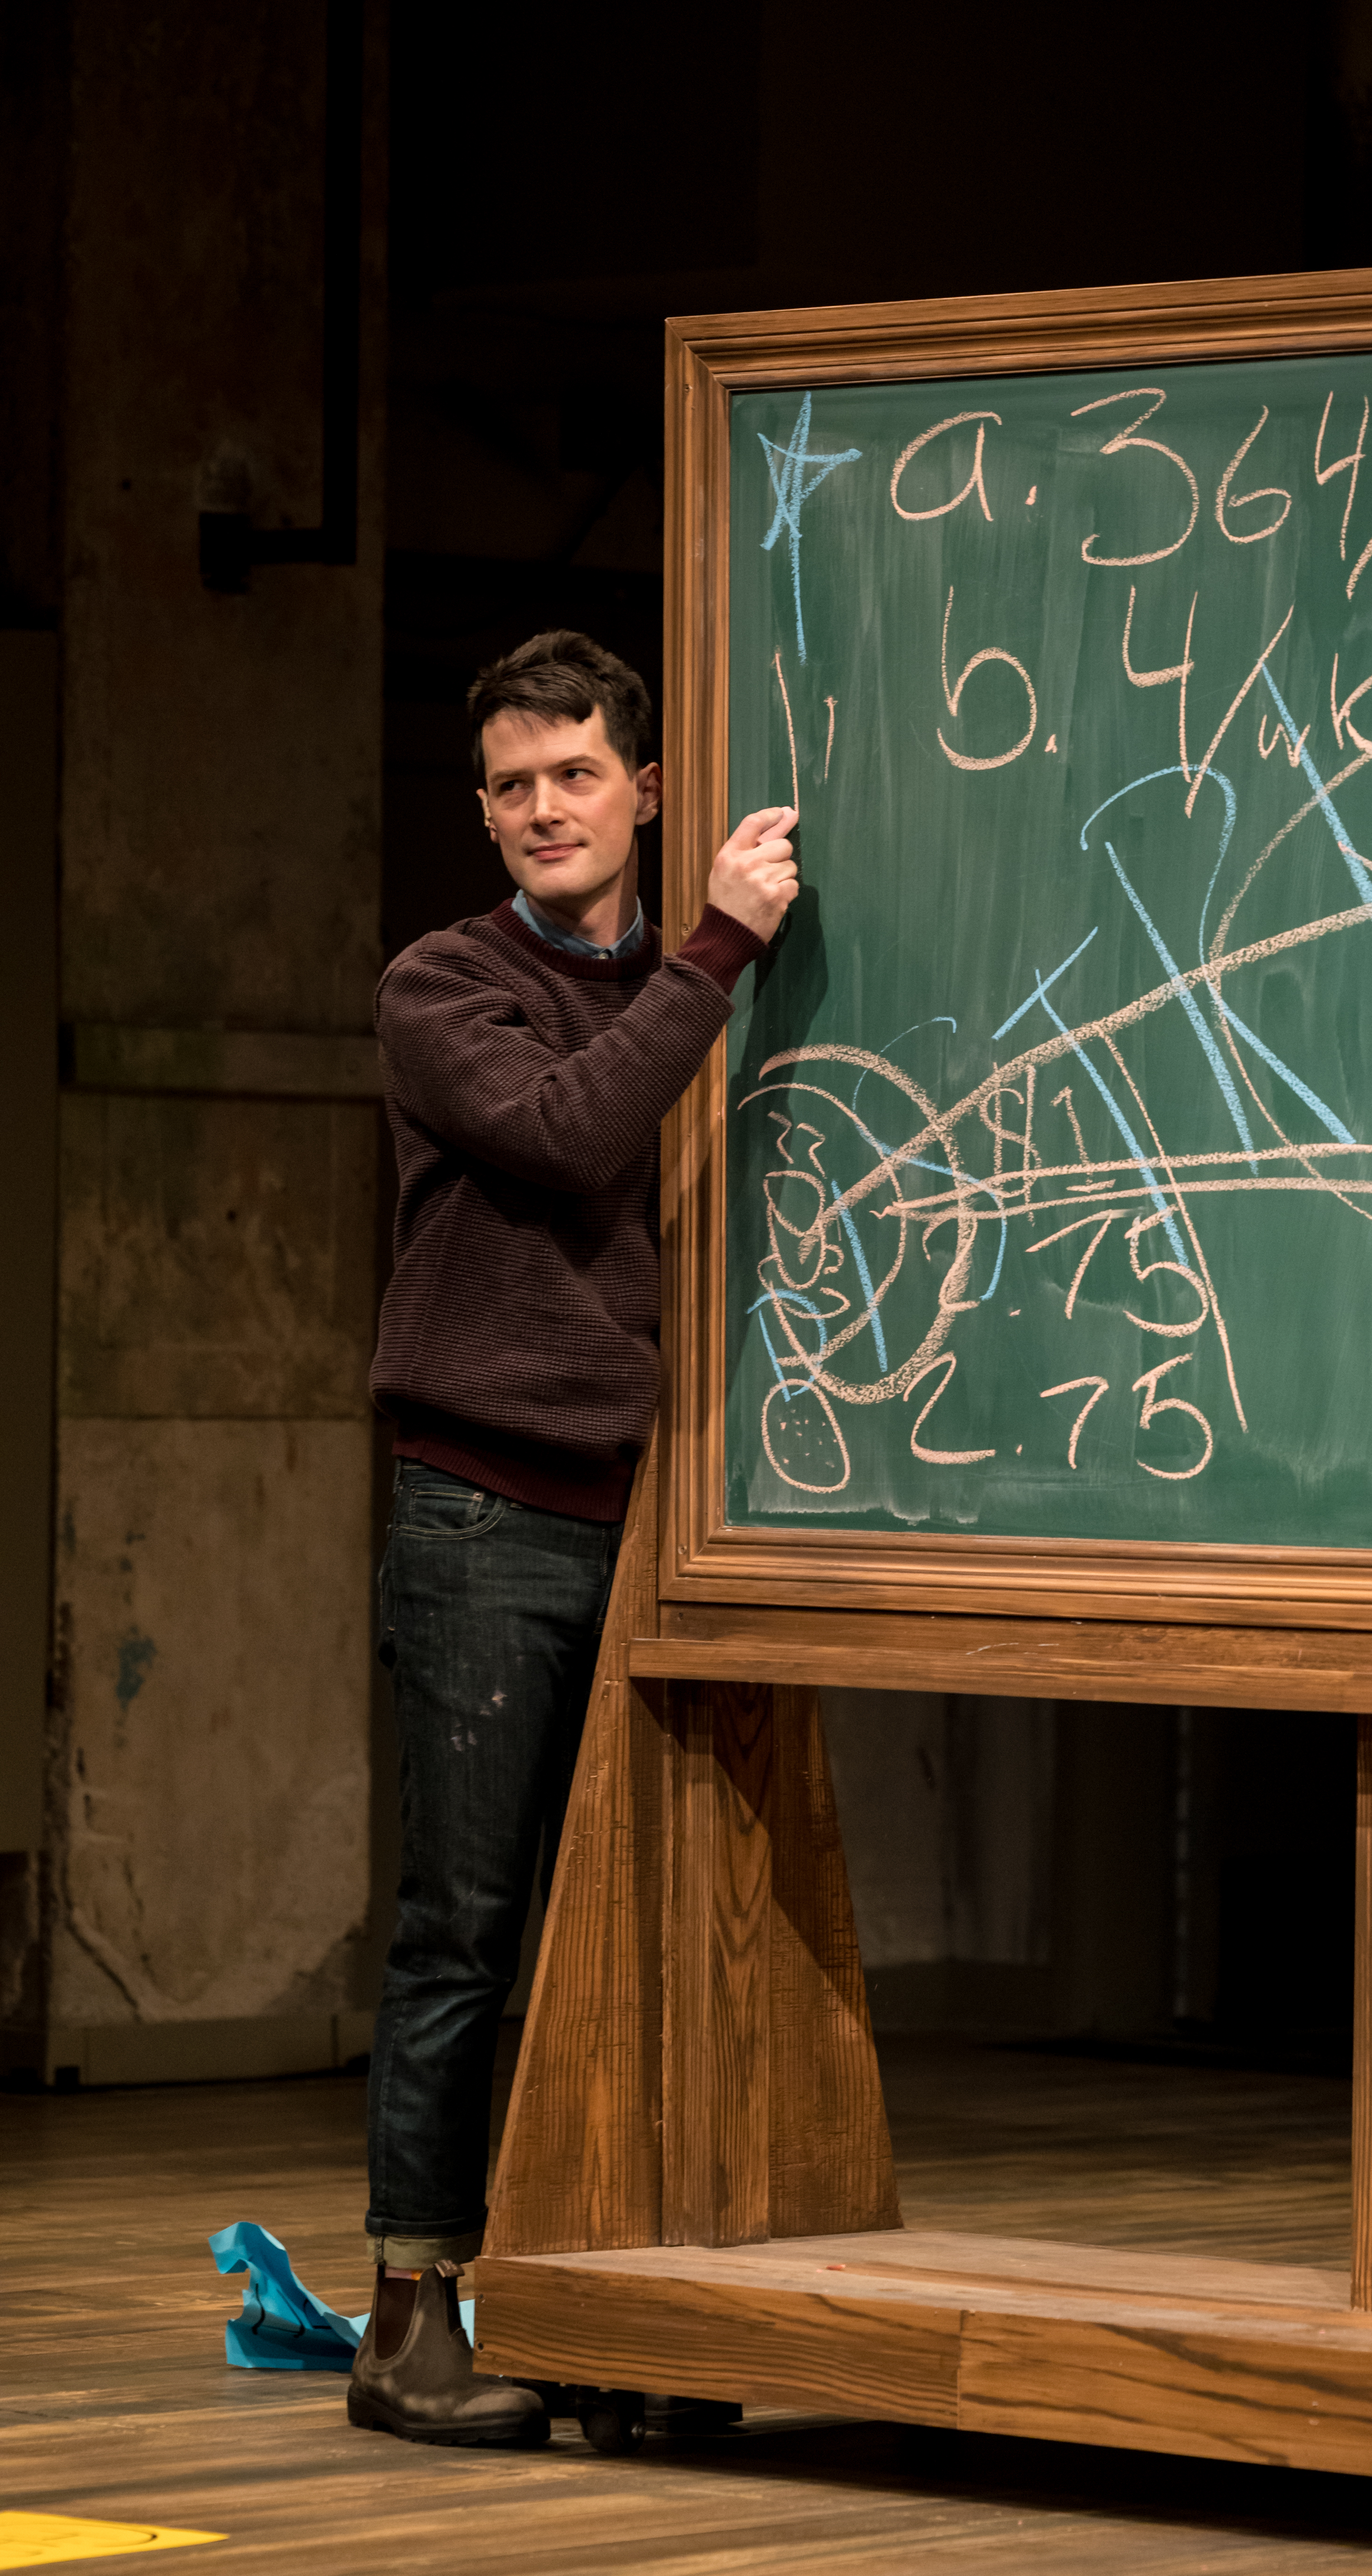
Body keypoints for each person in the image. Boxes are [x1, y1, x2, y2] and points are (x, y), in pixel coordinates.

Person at [346, 629, 799, 2445]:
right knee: (470, 1924)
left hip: (677, 1524)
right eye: (516, 787)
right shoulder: (446, 985)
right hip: (491, 1513)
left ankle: (616, 2308)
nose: (546, 809)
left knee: (645, 1927)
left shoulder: (699, 985)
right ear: (485, 812)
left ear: (649, 787)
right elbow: (577, 1131)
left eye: (578, 774)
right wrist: (719, 945)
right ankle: (408, 2313)